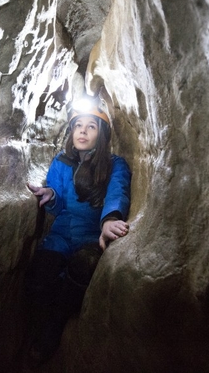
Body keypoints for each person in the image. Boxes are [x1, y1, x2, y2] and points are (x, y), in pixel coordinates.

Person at [24, 96, 131, 367]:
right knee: (40, 271)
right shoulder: (61, 162)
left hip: (89, 236)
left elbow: (117, 192)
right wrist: (51, 194)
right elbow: (58, 205)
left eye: (91, 126)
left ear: (102, 134)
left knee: (84, 265)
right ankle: (41, 323)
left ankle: (55, 325)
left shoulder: (114, 164)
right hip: (60, 235)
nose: (82, 131)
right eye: (78, 126)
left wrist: (109, 220)